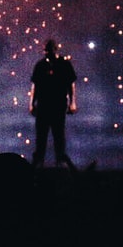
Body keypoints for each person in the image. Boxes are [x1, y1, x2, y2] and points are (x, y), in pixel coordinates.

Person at [29, 39, 77, 170]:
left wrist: (72, 102)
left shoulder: (64, 64)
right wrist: (31, 103)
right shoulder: (40, 65)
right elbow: (35, 85)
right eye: (45, 50)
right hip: (43, 104)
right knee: (41, 134)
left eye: (48, 50)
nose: (46, 53)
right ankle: (39, 160)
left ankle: (60, 160)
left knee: (58, 133)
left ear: (55, 49)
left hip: (58, 103)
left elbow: (71, 84)